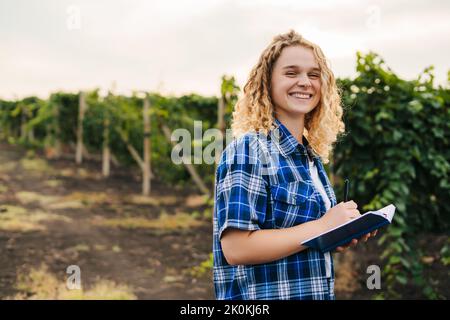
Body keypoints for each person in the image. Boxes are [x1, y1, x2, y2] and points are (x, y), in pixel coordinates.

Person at [212, 30, 377, 300]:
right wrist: (323, 226)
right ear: (267, 82)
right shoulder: (249, 150)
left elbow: (300, 239)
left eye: (313, 75)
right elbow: (237, 248)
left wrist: (337, 234)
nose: (305, 82)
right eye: (291, 73)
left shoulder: (310, 158)